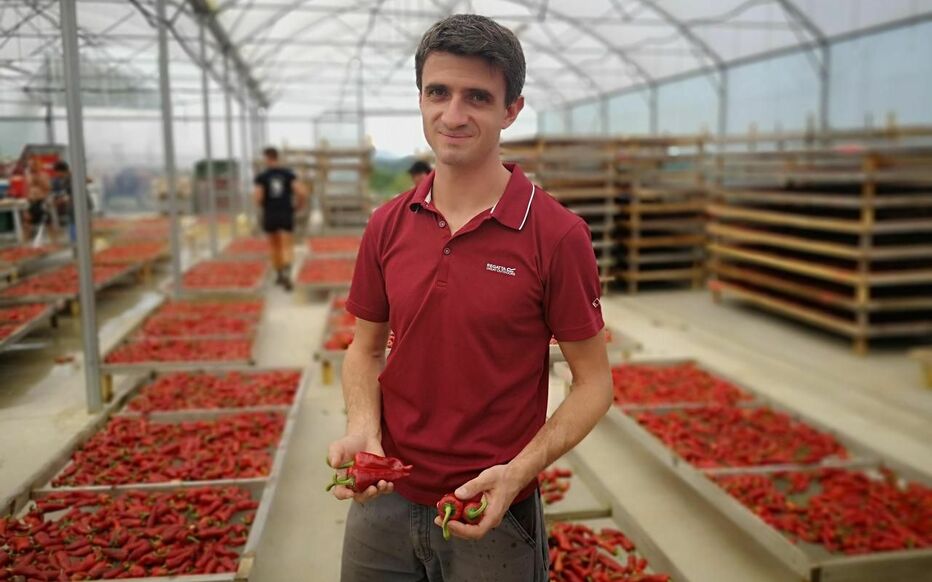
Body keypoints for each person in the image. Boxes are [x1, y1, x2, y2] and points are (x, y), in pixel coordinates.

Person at [328, 14, 612, 582]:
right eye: (438, 92)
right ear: (421, 98)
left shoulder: (556, 234)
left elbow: (595, 383)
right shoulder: (387, 223)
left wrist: (519, 472)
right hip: (382, 500)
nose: (452, 115)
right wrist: (364, 427)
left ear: (511, 110)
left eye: (477, 97)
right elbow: (364, 349)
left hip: (492, 508)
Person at [253, 146, 307, 291]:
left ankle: (279, 273)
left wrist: (263, 205)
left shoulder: (262, 177)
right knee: (287, 244)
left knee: (274, 245)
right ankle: (287, 273)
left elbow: (258, 196)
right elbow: (301, 192)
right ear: (277, 157)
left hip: (270, 213)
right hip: (285, 212)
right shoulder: (288, 174)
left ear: (267, 158)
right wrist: (298, 205)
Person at [25, 156, 52, 241]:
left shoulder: (44, 175)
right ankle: (26, 242)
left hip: (41, 200)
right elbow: (27, 188)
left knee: (47, 222)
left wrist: (39, 182)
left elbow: (48, 188)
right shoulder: (28, 176)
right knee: (27, 221)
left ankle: (54, 240)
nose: (31, 167)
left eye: (33, 165)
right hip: (32, 201)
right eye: (29, 165)